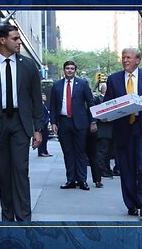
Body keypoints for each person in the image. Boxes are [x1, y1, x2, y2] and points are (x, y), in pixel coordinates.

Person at [0, 24, 44, 221]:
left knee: (21, 171)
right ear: (2, 41)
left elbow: (36, 100)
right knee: (3, 174)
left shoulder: (28, 66)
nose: (19, 42)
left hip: (20, 124)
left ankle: (23, 219)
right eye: (15, 38)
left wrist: (38, 129)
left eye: (19, 38)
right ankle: (7, 218)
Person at [103, 47, 142, 217]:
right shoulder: (113, 79)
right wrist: (104, 114)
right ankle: (131, 203)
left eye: (128, 57)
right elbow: (107, 101)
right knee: (127, 168)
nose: (125, 60)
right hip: (123, 128)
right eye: (123, 57)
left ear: (138, 60)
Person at [50, 61, 97, 191]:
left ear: (75, 70)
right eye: (67, 68)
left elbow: (90, 102)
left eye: (72, 68)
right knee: (68, 152)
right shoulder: (57, 85)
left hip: (80, 123)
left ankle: (82, 180)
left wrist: (93, 121)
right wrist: (53, 122)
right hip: (64, 122)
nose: (69, 70)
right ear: (64, 70)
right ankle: (70, 179)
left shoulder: (82, 84)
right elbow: (53, 105)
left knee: (81, 152)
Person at [95, 83, 115, 179]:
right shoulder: (98, 99)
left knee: (109, 152)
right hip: (102, 129)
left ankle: (107, 168)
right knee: (102, 151)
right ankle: (101, 169)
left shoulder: (112, 100)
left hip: (111, 129)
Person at [38, 93, 53, 157]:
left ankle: (45, 151)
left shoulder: (44, 105)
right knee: (42, 139)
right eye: (43, 96)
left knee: (45, 139)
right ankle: (41, 152)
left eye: (45, 95)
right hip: (43, 124)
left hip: (46, 124)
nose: (45, 97)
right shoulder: (40, 105)